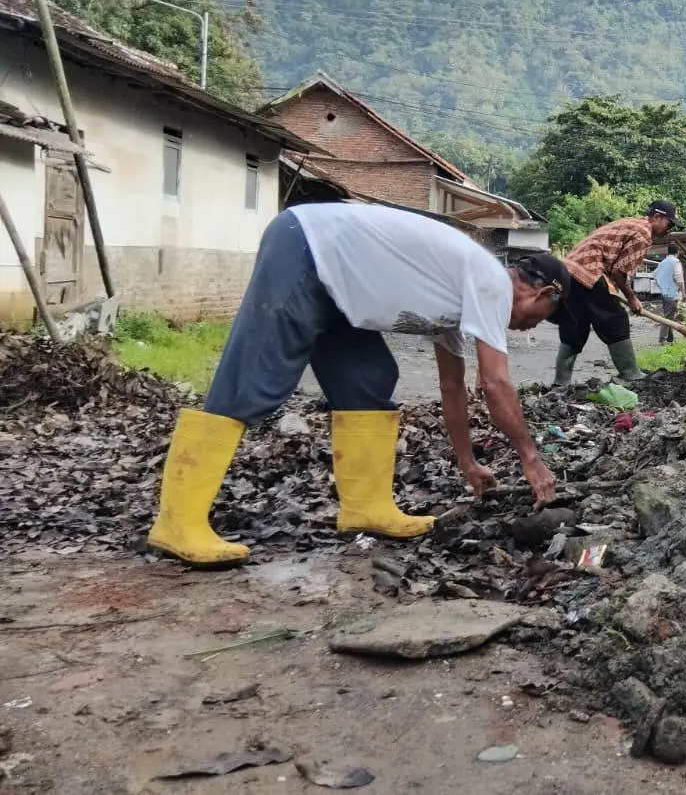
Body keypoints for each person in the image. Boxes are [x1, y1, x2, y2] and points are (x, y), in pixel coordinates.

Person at [146, 202, 570, 568]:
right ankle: (177, 522)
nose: (530, 327)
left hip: (337, 288)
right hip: (307, 248)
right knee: (254, 376)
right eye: (541, 318)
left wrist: (467, 462)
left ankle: (366, 507)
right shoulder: (492, 283)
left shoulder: (461, 298)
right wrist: (531, 459)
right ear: (541, 294)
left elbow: (452, 387)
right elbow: (495, 382)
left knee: (368, 378)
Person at [553, 200, 678, 385]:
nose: (669, 230)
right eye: (669, 224)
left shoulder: (632, 223)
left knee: (575, 325)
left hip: (569, 271)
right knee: (615, 320)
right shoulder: (644, 234)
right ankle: (631, 373)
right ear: (658, 217)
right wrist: (632, 298)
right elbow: (620, 273)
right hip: (591, 270)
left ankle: (560, 383)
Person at [654, 243, 685, 344]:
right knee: (668, 317)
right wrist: (684, 294)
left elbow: (655, 275)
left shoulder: (663, 262)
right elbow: (679, 279)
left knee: (669, 315)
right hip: (672, 294)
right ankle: (662, 339)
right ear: (677, 252)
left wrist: (661, 286)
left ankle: (670, 339)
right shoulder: (676, 262)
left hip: (664, 293)